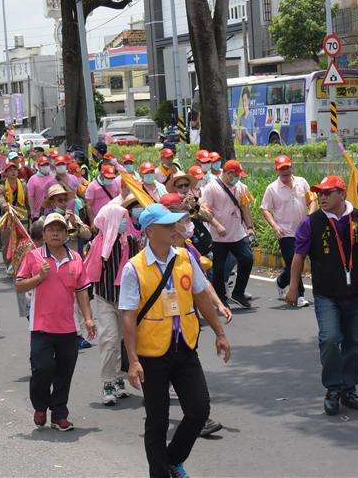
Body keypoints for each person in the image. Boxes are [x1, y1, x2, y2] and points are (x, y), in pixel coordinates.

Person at [119, 203, 231, 478]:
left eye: (175, 224)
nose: (175, 229)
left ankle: (172, 458)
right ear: (150, 231)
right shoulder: (134, 269)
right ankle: (160, 473)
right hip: (151, 353)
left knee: (199, 408)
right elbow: (128, 318)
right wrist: (133, 361)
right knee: (157, 420)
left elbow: (202, 296)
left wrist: (219, 333)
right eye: (168, 225)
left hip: (184, 345)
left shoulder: (184, 257)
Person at [285, 175, 358, 416]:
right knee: (330, 339)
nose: (321, 197)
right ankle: (333, 388)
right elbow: (299, 257)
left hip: (356, 293)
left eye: (327, 192)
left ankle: (349, 388)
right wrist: (294, 286)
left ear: (342, 195)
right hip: (327, 295)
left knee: (353, 343)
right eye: (320, 193)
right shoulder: (310, 223)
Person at [15, 213, 96, 431]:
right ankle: (40, 406)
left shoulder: (76, 259)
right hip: (41, 325)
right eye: (51, 229)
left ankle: (59, 414)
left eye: (60, 229)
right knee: (42, 368)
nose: (55, 233)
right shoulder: (33, 257)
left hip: (68, 327)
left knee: (64, 373)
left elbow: (82, 292)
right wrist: (39, 277)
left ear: (66, 234)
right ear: (43, 233)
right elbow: (20, 286)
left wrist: (88, 318)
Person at [84, 203, 141, 405]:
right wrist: (87, 312)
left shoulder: (132, 241)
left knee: (124, 341)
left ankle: (119, 379)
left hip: (127, 300)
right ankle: (108, 382)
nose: (125, 221)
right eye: (121, 217)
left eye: (126, 217)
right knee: (109, 339)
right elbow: (88, 274)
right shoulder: (96, 245)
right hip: (104, 297)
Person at [200, 160, 255, 308]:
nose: (238, 178)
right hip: (219, 237)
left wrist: (249, 227)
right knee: (219, 268)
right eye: (236, 175)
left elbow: (245, 208)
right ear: (228, 173)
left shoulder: (242, 188)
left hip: (238, 233)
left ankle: (238, 292)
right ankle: (221, 298)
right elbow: (204, 211)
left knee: (247, 259)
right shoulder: (211, 188)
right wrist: (217, 226)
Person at [261, 155, 315, 308]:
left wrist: (311, 216)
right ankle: (299, 295)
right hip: (285, 232)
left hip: (304, 230)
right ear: (276, 169)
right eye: (281, 168)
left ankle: (281, 281)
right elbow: (264, 209)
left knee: (298, 263)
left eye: (287, 167)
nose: (285, 171)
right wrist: (275, 226)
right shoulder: (272, 189)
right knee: (292, 261)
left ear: (291, 167)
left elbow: (312, 199)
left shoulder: (302, 182)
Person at [26, 156, 57, 222]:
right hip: (38, 213)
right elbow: (30, 196)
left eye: (47, 164)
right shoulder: (33, 179)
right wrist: (32, 211)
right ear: (39, 166)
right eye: (43, 165)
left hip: (53, 211)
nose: (45, 166)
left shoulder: (54, 177)